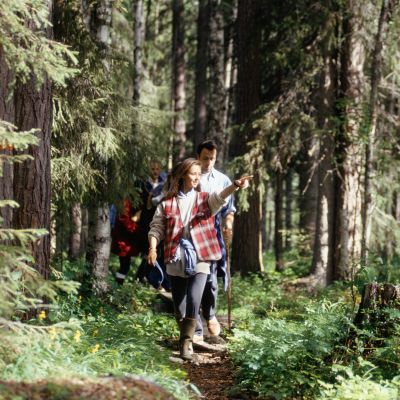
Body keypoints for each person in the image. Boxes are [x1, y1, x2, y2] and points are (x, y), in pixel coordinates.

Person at [147, 158, 251, 361]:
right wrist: (152, 248)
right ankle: (186, 334)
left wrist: (235, 186)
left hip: (202, 255)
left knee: (195, 299)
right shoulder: (166, 203)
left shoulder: (204, 199)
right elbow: (156, 228)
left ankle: (186, 343)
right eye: (192, 173)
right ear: (182, 175)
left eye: (198, 173)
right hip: (176, 256)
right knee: (180, 306)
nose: (196, 177)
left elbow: (220, 197)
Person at [195, 140, 235, 344]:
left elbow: (229, 210)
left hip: (212, 233)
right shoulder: (189, 176)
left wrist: (228, 224)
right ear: (198, 157)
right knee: (193, 278)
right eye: (205, 158)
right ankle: (196, 327)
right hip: (190, 234)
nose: (209, 162)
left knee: (210, 279)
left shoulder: (222, 180)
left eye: (212, 158)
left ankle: (209, 314)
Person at [113, 160, 166, 285]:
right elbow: (130, 209)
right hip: (139, 225)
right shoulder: (141, 185)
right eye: (153, 169)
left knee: (151, 252)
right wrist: (137, 216)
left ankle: (141, 278)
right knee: (128, 260)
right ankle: (122, 284)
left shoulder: (163, 185)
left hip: (153, 222)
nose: (155, 171)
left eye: (157, 169)